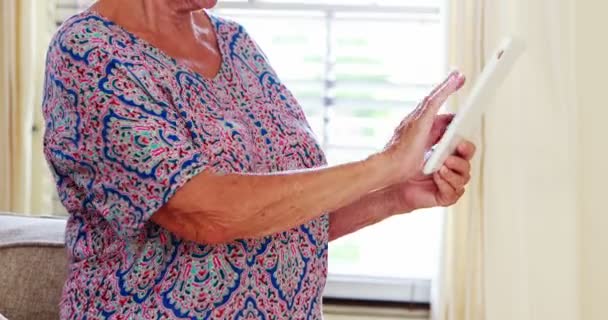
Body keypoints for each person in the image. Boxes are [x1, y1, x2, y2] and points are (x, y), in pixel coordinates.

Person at [42, 0, 475, 318]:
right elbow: (204, 213)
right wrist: (384, 163)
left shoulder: (236, 43)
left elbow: (282, 218)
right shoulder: (89, 52)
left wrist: (397, 193)